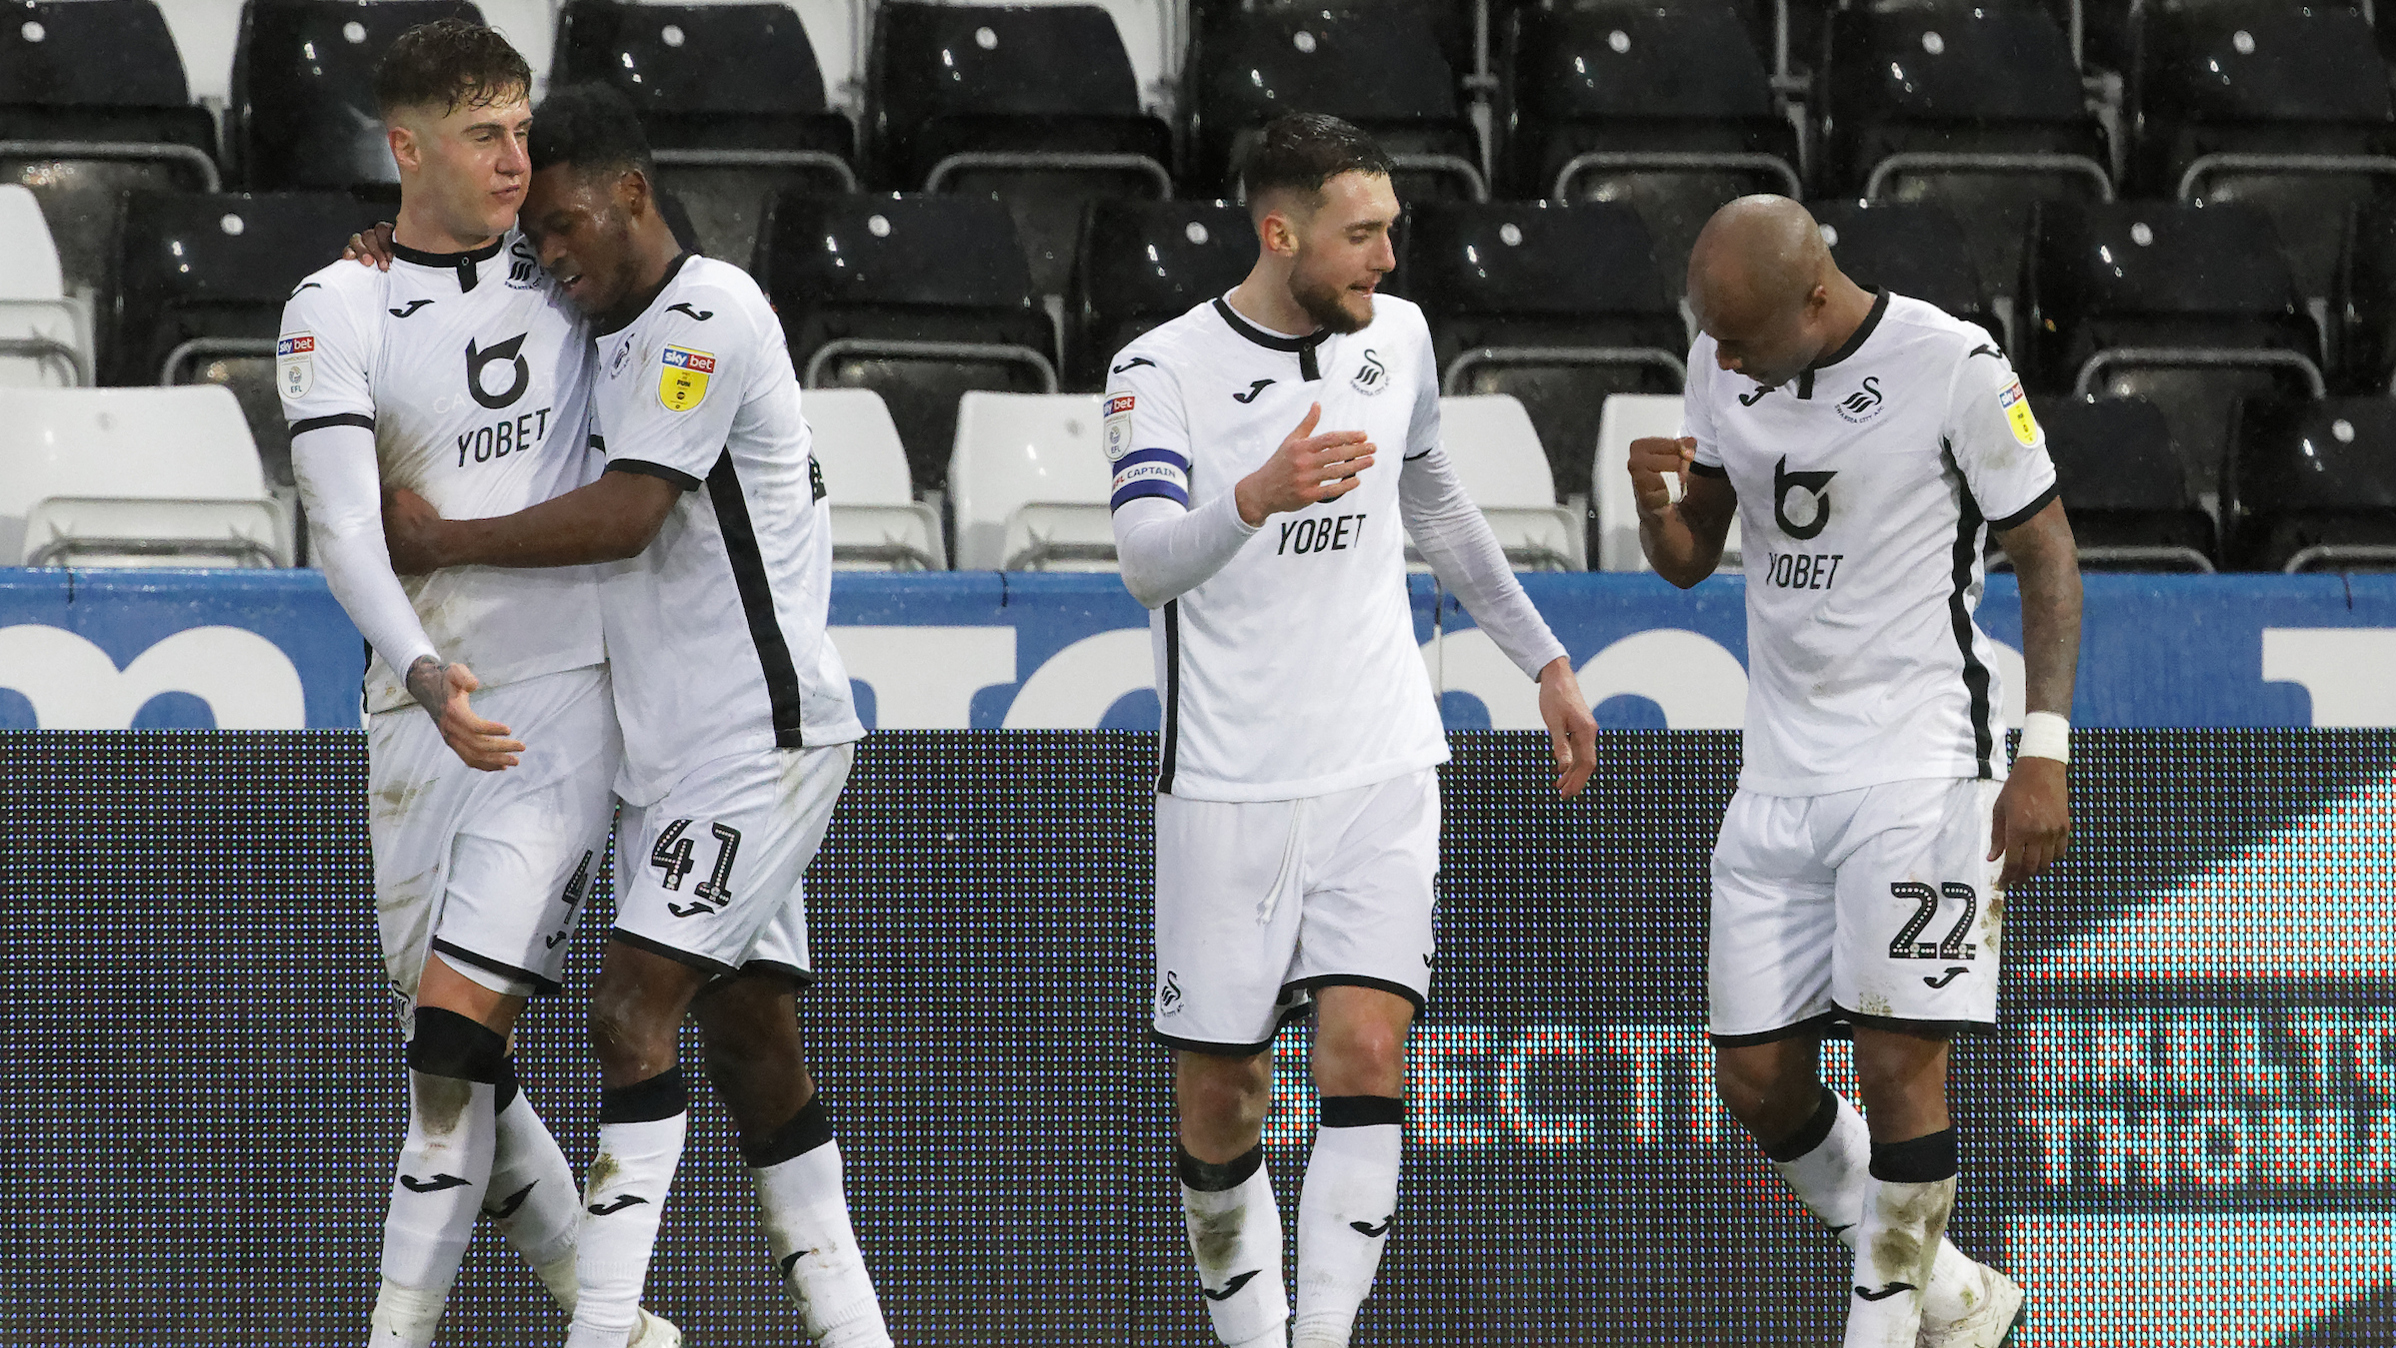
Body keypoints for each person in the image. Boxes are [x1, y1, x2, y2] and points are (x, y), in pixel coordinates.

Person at [377, 83, 892, 1348]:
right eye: (535, 238)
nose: (549, 258)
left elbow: (628, 513)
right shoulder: (594, 314)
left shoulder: (705, 312)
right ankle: (852, 1325)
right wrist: (377, 266)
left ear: (631, 194)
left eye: (564, 228)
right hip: (674, 752)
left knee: (625, 1012)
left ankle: (602, 1327)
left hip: (755, 738)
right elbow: (462, 299)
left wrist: (444, 540)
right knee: (751, 1038)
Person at [1102, 112, 1600, 1348]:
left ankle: (1318, 1333)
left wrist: (1538, 654)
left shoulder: (1403, 338)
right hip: (1225, 778)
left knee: (1366, 1047)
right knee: (1220, 1099)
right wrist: (1255, 494)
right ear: (1279, 234)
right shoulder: (1155, 369)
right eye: (1359, 234)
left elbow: (1428, 493)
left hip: (1382, 755)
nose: (1385, 258)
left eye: (1391, 230)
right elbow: (1144, 562)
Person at [277, 22, 674, 1348]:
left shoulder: (571, 268)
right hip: (419, 714)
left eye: (521, 127)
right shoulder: (338, 307)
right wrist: (430, 674)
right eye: (485, 136)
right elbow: (344, 531)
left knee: (451, 1047)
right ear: (407, 150)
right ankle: (615, 1322)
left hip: (560, 698)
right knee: (464, 1068)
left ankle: (393, 1334)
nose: (517, 159)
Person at [1631, 195, 2079, 1348]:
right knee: (1752, 1080)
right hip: (1777, 771)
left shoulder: (1952, 367)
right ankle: (1955, 1298)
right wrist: (1653, 510)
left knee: (1894, 1066)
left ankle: (1883, 1329)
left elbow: (2046, 554)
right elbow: (1691, 559)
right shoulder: (1721, 358)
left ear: (1816, 298)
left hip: (1921, 760)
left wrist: (2042, 752)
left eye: (1741, 340)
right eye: (1711, 340)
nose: (1723, 361)